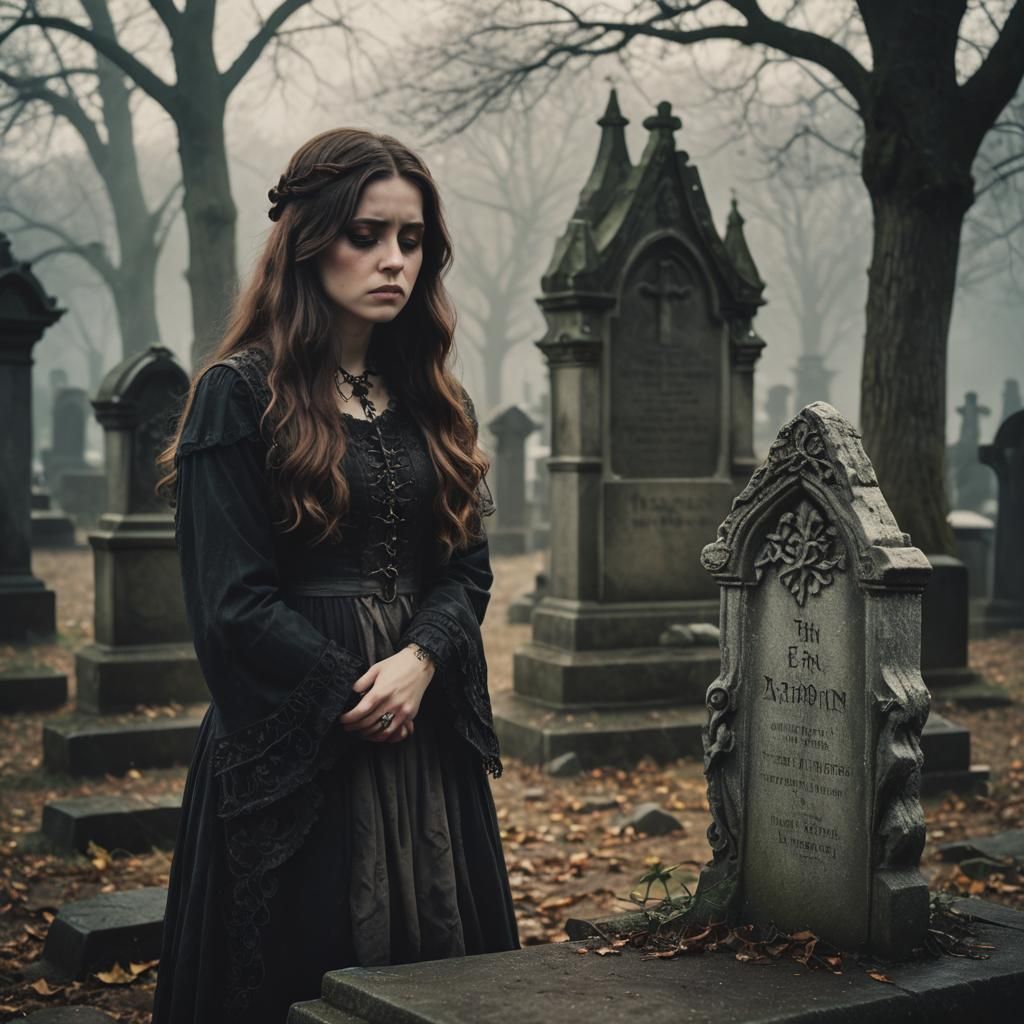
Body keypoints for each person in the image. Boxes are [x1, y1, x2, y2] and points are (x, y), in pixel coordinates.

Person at [151, 129, 519, 1024]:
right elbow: (230, 605)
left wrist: (421, 663)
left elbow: (465, 571)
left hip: (422, 730)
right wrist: (357, 692)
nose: (393, 259)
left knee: (441, 972)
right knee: (301, 970)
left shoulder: (438, 399)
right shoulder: (237, 396)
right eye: (367, 234)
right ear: (309, 238)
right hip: (300, 729)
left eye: (412, 238)